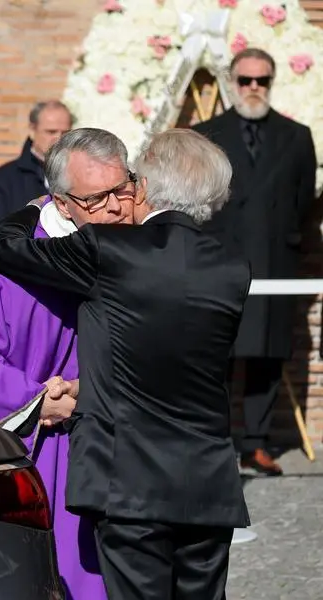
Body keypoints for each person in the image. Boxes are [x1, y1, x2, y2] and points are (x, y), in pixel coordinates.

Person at [0, 128, 250, 600]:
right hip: (209, 482)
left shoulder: (112, 250)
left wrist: (39, 206)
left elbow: (0, 247)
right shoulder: (232, 267)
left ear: (143, 187)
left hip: (130, 482)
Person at [0, 130, 135, 598]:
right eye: (98, 198)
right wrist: (35, 400)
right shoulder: (17, 266)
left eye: (123, 189)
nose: (117, 207)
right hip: (50, 456)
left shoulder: (131, 249)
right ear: (61, 204)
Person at [193, 47, 318, 476]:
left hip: (273, 260)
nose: (252, 88)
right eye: (245, 80)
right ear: (232, 81)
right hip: (218, 260)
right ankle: (217, 443)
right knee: (217, 354)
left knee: (267, 352)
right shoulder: (205, 133)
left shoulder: (297, 135)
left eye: (261, 81)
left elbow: (303, 199)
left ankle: (256, 444)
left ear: (272, 82)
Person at [0, 100, 73, 235]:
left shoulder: (81, 175)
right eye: (51, 131)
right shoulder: (3, 179)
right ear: (32, 129)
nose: (58, 138)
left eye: (65, 132)